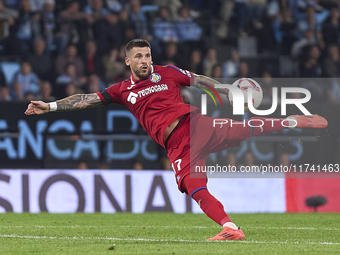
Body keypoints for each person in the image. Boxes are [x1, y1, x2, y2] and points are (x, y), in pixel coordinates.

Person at [25, 38, 328, 241]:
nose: (145, 61)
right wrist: (50, 106)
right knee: (198, 185)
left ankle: (293, 121)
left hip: (190, 126)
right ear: (128, 60)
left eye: (148, 55)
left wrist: (224, 89)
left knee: (235, 137)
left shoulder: (166, 73)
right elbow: (87, 99)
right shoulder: (120, 90)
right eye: (139, 57)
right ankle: (230, 227)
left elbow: (197, 80)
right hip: (178, 144)